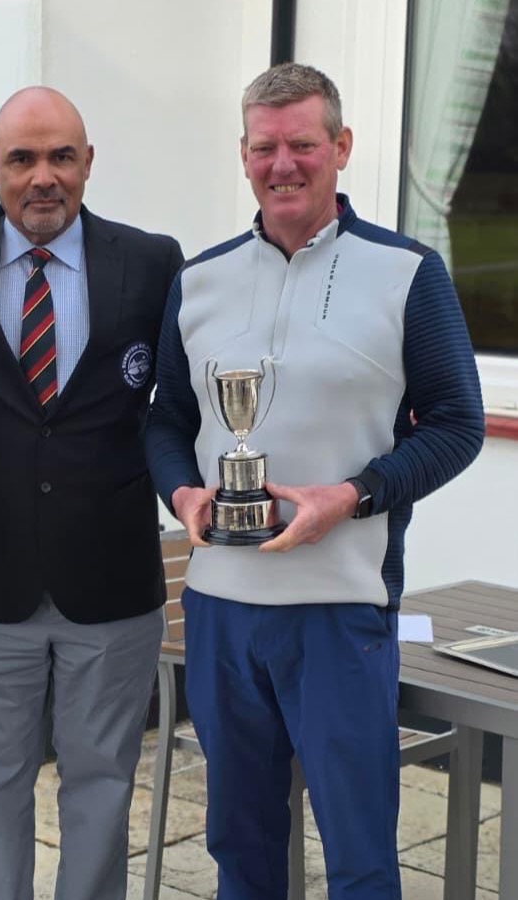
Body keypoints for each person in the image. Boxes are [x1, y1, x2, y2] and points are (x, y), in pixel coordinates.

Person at [145, 63, 485, 900]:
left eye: (302, 144)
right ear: (243, 154)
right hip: (220, 609)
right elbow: (165, 420)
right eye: (265, 147)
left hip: (340, 608)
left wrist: (354, 494)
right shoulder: (199, 280)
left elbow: (458, 424)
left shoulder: (407, 273)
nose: (282, 164)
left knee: (358, 853)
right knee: (240, 846)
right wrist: (183, 494)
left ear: (341, 146)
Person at [0, 86, 183, 900]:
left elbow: (179, 406)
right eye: (22, 159)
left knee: (103, 782)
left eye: (62, 156)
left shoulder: (151, 262)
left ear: (88, 162)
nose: (43, 177)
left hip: (114, 579)